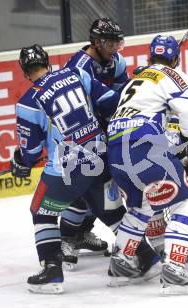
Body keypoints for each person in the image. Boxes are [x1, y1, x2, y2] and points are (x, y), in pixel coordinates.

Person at [11, 44, 122, 294]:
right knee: (112, 213)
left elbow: (31, 151)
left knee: (41, 211)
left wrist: (20, 162)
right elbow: (110, 102)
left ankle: (52, 270)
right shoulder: (75, 74)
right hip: (100, 155)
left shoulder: (28, 102)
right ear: (48, 62)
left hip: (67, 167)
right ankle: (144, 259)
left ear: (25, 73)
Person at [107, 34, 188, 295]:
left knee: (142, 206)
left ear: (150, 56)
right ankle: (174, 269)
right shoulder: (173, 75)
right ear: (175, 58)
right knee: (185, 201)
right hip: (144, 147)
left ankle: (122, 261)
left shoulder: (135, 79)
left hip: (115, 150)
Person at [60, 17, 129, 264]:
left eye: (118, 43)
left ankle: (80, 232)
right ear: (97, 42)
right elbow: (105, 100)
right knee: (84, 187)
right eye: (111, 44)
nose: (116, 49)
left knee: (103, 185)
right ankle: (67, 236)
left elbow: (124, 94)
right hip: (81, 136)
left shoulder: (116, 60)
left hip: (107, 130)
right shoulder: (77, 67)